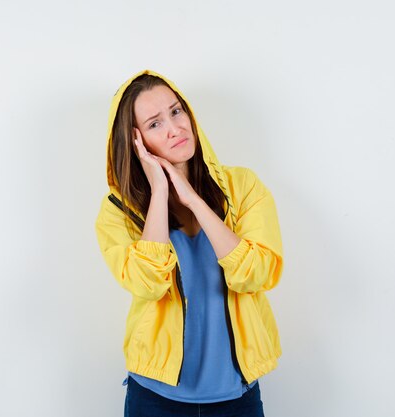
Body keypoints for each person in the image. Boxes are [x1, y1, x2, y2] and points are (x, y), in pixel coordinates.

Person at [95, 69, 284, 417]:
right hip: (154, 399)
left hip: (236, 398)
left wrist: (195, 200)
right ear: (134, 140)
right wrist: (160, 192)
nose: (174, 127)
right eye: (154, 124)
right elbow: (148, 283)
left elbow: (257, 274)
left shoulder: (243, 187)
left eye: (176, 111)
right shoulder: (118, 211)